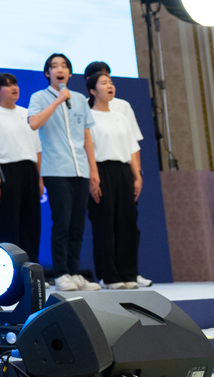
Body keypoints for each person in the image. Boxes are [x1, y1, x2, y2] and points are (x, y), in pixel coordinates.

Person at [28, 53, 100, 293]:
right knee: (62, 222)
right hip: (56, 169)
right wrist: (58, 101)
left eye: (64, 66)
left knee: (77, 224)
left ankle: (74, 272)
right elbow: (34, 123)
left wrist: (93, 170)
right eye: (54, 66)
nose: (60, 69)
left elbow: (86, 136)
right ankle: (61, 273)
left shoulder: (79, 99)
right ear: (47, 73)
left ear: (69, 72)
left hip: (81, 169)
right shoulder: (39, 97)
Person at [84, 61, 150, 290]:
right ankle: (109, 276)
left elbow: (132, 148)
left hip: (123, 171)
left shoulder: (121, 116)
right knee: (104, 225)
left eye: (110, 82)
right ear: (93, 90)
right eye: (103, 83)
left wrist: (137, 176)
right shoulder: (88, 116)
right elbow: (87, 148)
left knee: (127, 223)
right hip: (101, 170)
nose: (110, 86)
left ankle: (128, 273)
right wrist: (93, 176)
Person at [0, 73, 42, 260]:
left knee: (31, 222)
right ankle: (11, 267)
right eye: (8, 85)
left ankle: (32, 266)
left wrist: (40, 179)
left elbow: (37, 149)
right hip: (6, 171)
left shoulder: (27, 114)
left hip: (30, 170)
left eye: (15, 84)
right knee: (9, 223)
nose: (14, 88)